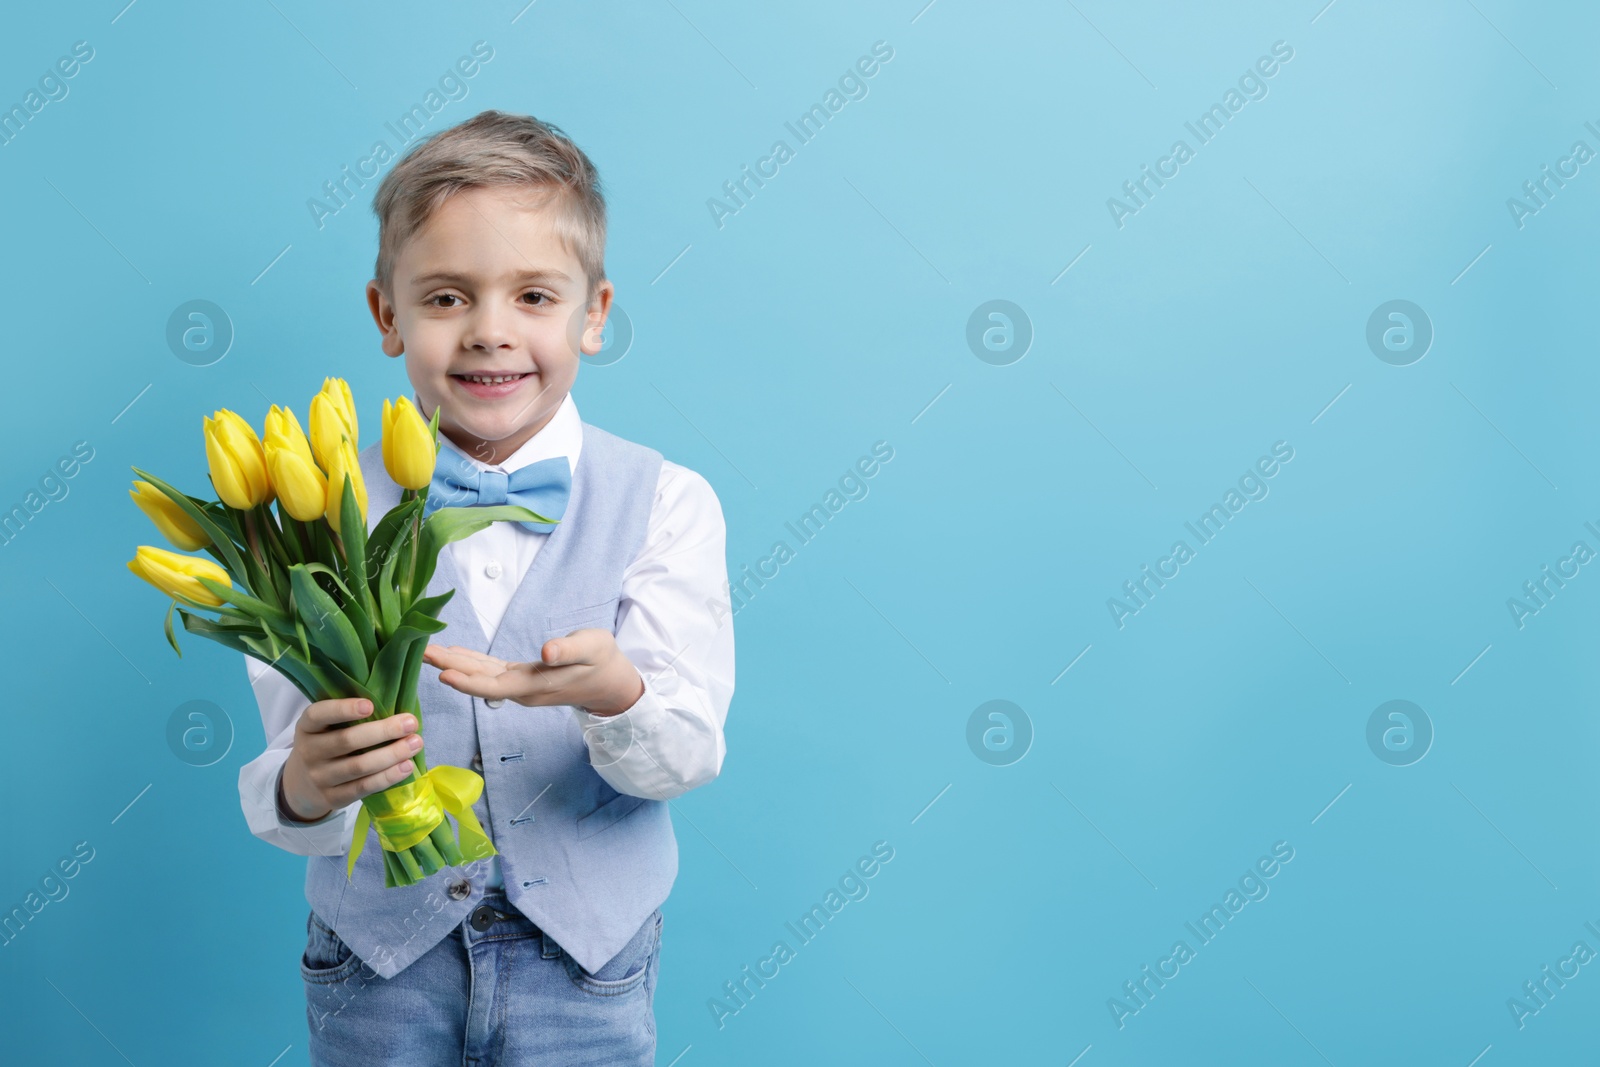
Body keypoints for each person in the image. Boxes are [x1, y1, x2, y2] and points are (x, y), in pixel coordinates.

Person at [235, 109, 735, 1066]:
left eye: (536, 296)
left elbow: (685, 753)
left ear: (594, 313)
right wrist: (304, 785)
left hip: (586, 972)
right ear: (388, 315)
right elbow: (283, 779)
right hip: (378, 967)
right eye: (448, 298)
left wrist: (616, 694)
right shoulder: (313, 511)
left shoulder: (666, 502)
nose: (491, 333)